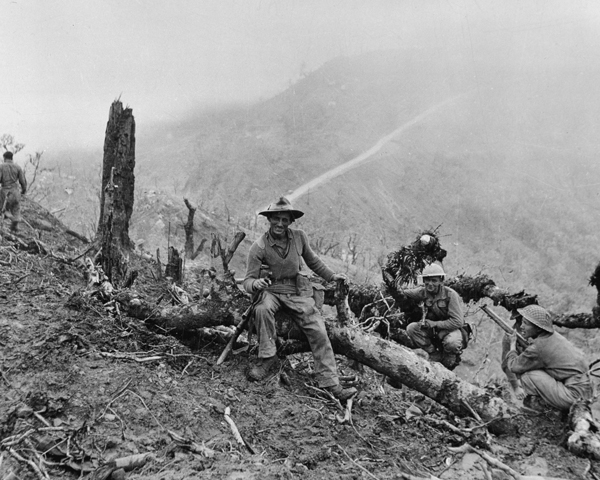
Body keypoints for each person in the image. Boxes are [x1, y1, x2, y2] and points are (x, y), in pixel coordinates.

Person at [243, 197, 357, 401]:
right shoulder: (259, 246)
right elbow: (249, 279)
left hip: (296, 291)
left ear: (290, 221)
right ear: (269, 219)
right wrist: (256, 284)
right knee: (261, 309)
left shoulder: (299, 238)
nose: (280, 224)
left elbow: (313, 261)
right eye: (276, 219)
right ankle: (268, 357)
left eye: (284, 220)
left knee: (318, 329)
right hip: (272, 290)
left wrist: (332, 276)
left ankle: (330, 382)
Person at [503, 304, 591, 411]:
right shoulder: (554, 336)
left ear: (539, 329)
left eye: (525, 323)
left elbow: (514, 366)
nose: (521, 326)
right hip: (585, 391)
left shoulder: (538, 348)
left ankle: (541, 409)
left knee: (527, 375)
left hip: (574, 396)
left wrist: (512, 346)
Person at [396, 263, 465, 369]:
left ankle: (449, 357)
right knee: (412, 328)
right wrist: (392, 287)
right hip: (433, 330)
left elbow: (458, 322)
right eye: (427, 280)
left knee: (452, 342)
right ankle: (433, 353)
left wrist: (434, 324)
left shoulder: (450, 295)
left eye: (434, 280)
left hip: (450, 329)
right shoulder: (422, 292)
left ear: (441, 281)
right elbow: (403, 292)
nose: (430, 284)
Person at [501, 310, 525, 401]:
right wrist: (516, 387)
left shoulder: (537, 332)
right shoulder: (510, 336)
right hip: (522, 377)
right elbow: (506, 363)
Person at [0, 151, 27, 232]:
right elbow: (23, 182)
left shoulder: (1, 166)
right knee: (16, 209)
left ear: (4, 158)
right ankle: (15, 228)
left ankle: (11, 218)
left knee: (2, 209)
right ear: (12, 158)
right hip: (16, 192)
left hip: (5, 193)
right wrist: (23, 191)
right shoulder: (18, 167)